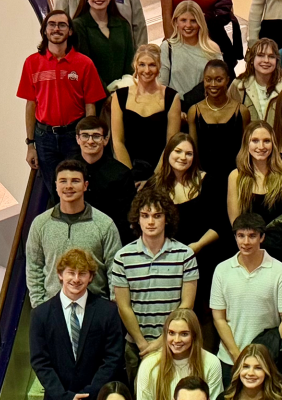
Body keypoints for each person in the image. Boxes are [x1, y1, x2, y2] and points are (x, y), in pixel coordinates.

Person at [145, 134, 231, 350]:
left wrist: (197, 246)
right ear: (168, 154)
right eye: (178, 151)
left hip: (204, 257)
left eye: (188, 153)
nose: (183, 157)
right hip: (167, 261)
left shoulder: (208, 182)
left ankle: (204, 357)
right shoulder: (154, 185)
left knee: (204, 314)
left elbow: (221, 223)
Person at [113, 189, 201, 381]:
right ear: (137, 219)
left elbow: (187, 305)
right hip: (137, 346)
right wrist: (142, 343)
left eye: (157, 215)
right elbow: (123, 306)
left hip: (176, 344)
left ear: (166, 218)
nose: (151, 222)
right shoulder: (123, 257)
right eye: (145, 216)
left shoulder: (185, 255)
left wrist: (162, 341)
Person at [21, 10, 107, 203]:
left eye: (62, 25)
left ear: (70, 31)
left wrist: (87, 138)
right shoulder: (32, 63)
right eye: (52, 25)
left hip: (73, 137)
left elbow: (90, 106)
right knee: (55, 191)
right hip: (44, 139)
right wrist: (30, 144)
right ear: (45, 30)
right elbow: (30, 106)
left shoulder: (84, 64)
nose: (56, 29)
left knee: (80, 189)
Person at [31, 248, 127, 400]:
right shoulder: (40, 314)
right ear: (60, 274)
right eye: (71, 272)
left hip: (97, 396)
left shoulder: (108, 311)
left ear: (91, 277)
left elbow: (113, 357)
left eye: (82, 273)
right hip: (58, 397)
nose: (76, 279)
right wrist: (65, 396)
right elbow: (40, 361)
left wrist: (89, 393)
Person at [28, 160, 126, 307]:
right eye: (63, 181)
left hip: (95, 307)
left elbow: (115, 268)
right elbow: (34, 268)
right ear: (56, 185)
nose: (68, 186)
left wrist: (112, 307)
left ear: (85, 185)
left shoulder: (104, 224)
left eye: (75, 181)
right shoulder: (40, 224)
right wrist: (39, 306)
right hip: (53, 308)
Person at [210, 213, 282, 375]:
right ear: (235, 237)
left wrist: (266, 356)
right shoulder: (222, 270)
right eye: (241, 236)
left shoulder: (279, 270)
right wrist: (237, 356)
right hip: (229, 359)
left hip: (267, 361)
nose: (246, 242)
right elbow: (219, 318)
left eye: (252, 236)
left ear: (262, 237)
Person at [111, 44, 184, 169]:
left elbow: (170, 144)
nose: (147, 70)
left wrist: (156, 177)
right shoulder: (119, 96)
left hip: (160, 170)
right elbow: (118, 142)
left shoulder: (171, 97)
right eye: (142, 64)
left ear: (159, 66)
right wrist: (130, 175)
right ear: (135, 66)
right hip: (128, 170)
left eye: (152, 65)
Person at [227, 122, 282, 226]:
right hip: (248, 234)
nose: (261, 146)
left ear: (273, 144)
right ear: (246, 143)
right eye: (255, 141)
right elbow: (235, 220)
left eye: (267, 141)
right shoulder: (235, 176)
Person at [135, 309, 226, 400]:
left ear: (194, 335)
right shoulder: (149, 364)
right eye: (171, 333)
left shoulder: (211, 362)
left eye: (184, 334)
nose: (177, 340)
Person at [75, 116, 140, 242]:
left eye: (96, 136)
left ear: (105, 140)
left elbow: (126, 216)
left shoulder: (121, 173)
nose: (90, 141)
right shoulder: (66, 170)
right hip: (74, 235)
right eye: (85, 136)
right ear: (77, 139)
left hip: (110, 237)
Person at [187, 60, 254, 177]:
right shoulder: (194, 111)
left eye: (219, 80)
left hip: (235, 176)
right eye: (208, 80)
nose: (213, 84)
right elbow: (193, 151)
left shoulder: (242, 111)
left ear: (227, 80)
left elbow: (245, 150)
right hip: (203, 178)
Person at [161, 1, 226, 94]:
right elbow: (161, 85)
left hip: (205, 101)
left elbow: (221, 84)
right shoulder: (167, 48)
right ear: (176, 22)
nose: (188, 25)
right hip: (176, 102)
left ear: (200, 23)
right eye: (183, 20)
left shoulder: (212, 49)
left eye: (193, 21)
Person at [72, 0, 137, 89]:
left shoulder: (123, 25)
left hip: (124, 92)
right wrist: (107, 94)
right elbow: (86, 69)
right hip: (94, 93)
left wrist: (123, 89)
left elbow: (130, 65)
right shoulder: (78, 27)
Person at [218, 344, 282, 400]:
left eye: (258, 368)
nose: (250, 373)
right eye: (246, 367)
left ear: (267, 371)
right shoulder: (224, 398)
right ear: (238, 370)